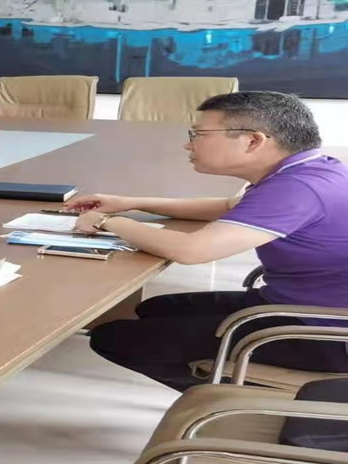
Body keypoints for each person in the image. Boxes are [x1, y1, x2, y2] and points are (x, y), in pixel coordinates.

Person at [64, 91, 347, 391]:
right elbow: (226, 207)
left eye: (199, 134)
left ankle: (235, 398)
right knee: (156, 309)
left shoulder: (296, 188)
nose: (189, 144)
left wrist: (109, 222)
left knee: (115, 338)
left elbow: (192, 250)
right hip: (303, 304)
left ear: (253, 140)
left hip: (324, 332)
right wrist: (130, 202)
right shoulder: (312, 169)